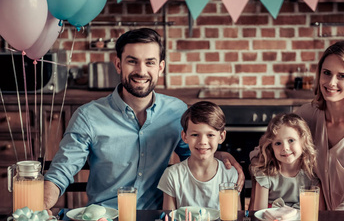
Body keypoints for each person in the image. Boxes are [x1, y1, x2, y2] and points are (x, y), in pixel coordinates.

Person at [44, 28, 243, 210]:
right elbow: (61, 172)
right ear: (118, 64)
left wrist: (220, 156)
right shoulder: (88, 116)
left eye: (150, 62)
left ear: (161, 67)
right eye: (132, 61)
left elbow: (193, 154)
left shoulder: (177, 112)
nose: (141, 71)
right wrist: (41, 206)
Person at [251, 41, 344, 211]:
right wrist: (227, 158)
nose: (331, 82)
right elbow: (264, 150)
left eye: (342, 76)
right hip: (320, 219)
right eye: (327, 73)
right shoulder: (307, 115)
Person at [158, 101, 239, 210]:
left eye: (210, 135)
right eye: (195, 135)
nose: (203, 142)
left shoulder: (230, 174)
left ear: (221, 136)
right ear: (184, 136)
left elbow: (235, 220)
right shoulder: (172, 176)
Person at [251, 113, 320, 210]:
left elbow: (317, 212)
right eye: (278, 143)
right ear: (271, 147)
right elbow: (259, 213)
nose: (285, 148)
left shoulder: (311, 174)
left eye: (291, 140)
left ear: (303, 141)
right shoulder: (265, 175)